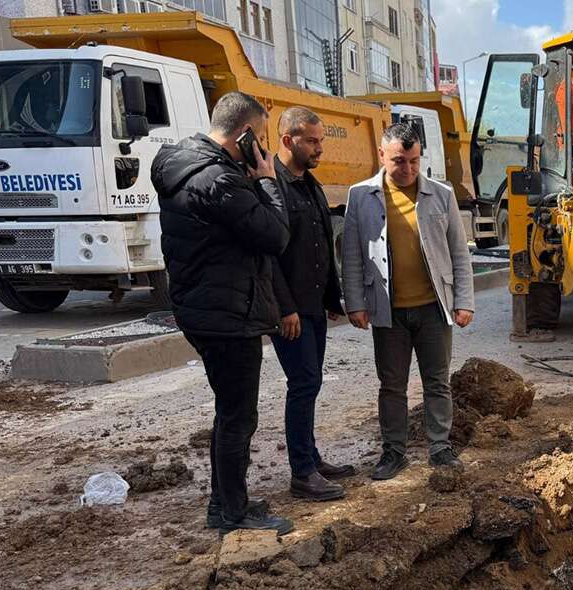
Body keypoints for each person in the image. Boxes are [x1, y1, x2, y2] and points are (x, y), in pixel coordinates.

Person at [151, 92, 292, 535]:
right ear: (246, 136)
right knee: (238, 416)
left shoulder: (187, 167)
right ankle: (232, 513)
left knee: (229, 412)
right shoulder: (219, 181)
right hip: (227, 313)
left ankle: (224, 503)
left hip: (206, 308)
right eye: (263, 140)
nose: (266, 150)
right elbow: (275, 235)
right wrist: (267, 180)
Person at [341, 122, 475, 480]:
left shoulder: (440, 195)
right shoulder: (361, 196)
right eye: (400, 161)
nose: (409, 169)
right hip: (388, 311)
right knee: (392, 384)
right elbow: (352, 254)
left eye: (414, 161)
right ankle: (393, 451)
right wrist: (354, 301)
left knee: (437, 380)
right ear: (382, 155)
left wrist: (464, 301)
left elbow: (458, 254)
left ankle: (440, 448)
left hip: (433, 307)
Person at [269, 106, 354, 502]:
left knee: (311, 382)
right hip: (291, 312)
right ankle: (302, 472)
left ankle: (312, 457)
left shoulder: (310, 184)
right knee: (303, 384)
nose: (319, 149)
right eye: (312, 141)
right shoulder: (271, 187)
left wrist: (330, 297)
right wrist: (285, 308)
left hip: (313, 306)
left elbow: (321, 245)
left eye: (321, 141)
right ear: (288, 140)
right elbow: (268, 256)